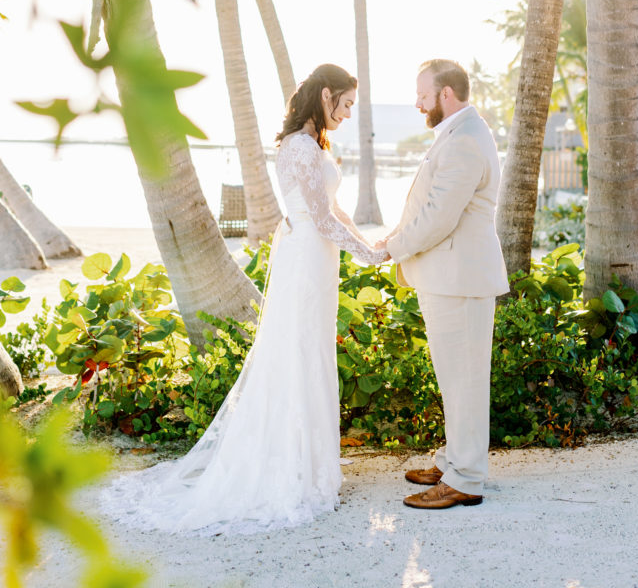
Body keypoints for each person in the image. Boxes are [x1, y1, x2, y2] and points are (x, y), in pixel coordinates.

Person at [103, 64, 387, 534]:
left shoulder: (315, 144)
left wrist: (371, 245)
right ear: (326, 96)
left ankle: (312, 464)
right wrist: (368, 256)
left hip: (318, 262)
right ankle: (293, 469)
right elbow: (319, 218)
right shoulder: (298, 146)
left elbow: (335, 210)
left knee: (312, 352)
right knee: (295, 355)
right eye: (347, 103)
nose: (350, 113)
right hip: (305, 263)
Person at [376, 59, 509, 510]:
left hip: (461, 281)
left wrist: (394, 247)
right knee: (455, 381)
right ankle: (455, 460)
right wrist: (396, 236)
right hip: (451, 278)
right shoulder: (460, 134)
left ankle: (466, 479)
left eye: (423, 94)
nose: (418, 103)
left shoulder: (466, 141)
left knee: (465, 382)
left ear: (446, 94)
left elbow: (438, 217)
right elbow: (430, 206)